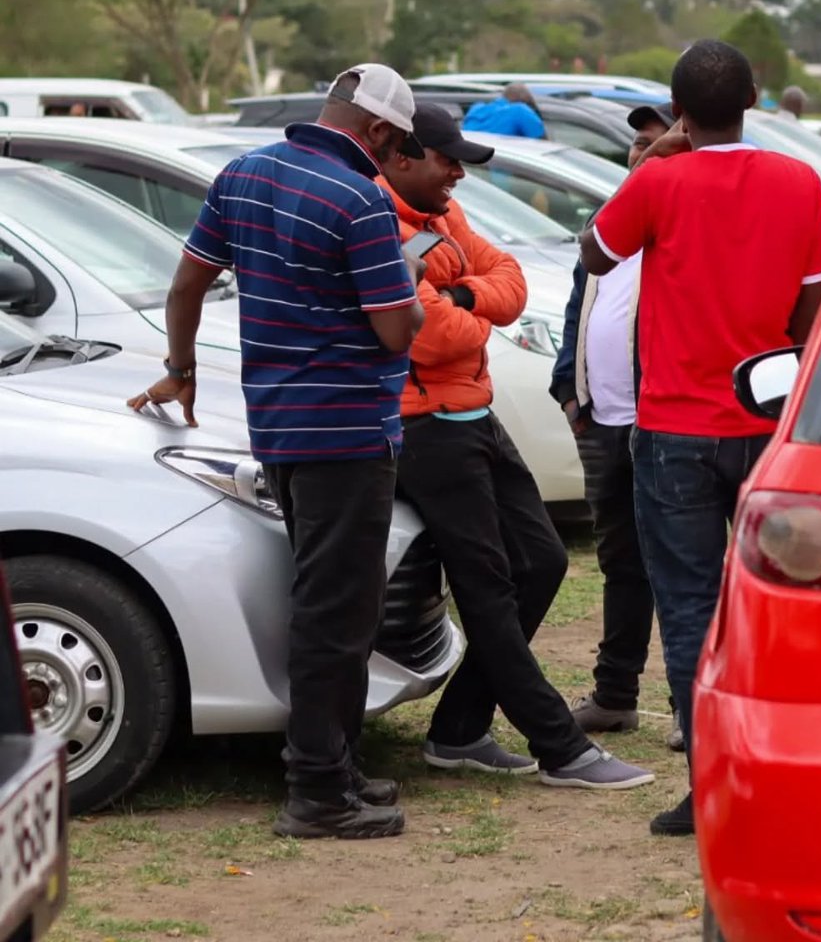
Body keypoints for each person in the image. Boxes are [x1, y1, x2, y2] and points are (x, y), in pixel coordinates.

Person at [127, 63, 426, 840]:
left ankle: (338, 763)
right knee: (337, 612)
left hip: (281, 427)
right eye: (398, 141)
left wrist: (179, 370)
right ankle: (318, 792)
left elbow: (187, 285)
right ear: (382, 132)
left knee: (332, 602)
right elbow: (397, 329)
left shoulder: (244, 173)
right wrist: (416, 276)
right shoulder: (360, 199)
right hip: (348, 433)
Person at [580, 40, 821, 837]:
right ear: (756, 97)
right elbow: (813, 302)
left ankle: (710, 786)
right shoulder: (799, 181)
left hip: (673, 432)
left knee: (689, 613)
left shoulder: (658, 180)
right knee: (782, 606)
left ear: (678, 106)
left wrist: (654, 155)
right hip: (766, 425)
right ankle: (793, 775)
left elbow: (593, 251)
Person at [377, 102, 654, 791]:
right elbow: (432, 336)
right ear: (402, 156)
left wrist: (457, 295)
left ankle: (460, 729)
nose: (457, 178)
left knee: (543, 561)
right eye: (448, 162)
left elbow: (510, 284)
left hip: (472, 413)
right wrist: (467, 308)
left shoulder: (439, 214)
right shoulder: (376, 220)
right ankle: (560, 746)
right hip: (423, 426)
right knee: (488, 587)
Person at [551, 102, 683, 753]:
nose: (642, 154)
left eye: (656, 144)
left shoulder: (685, 223)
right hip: (604, 422)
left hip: (666, 424)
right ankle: (615, 695)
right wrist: (568, 392)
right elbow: (583, 307)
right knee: (620, 564)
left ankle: (690, 703)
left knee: (687, 567)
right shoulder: (606, 226)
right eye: (636, 144)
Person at [461, 82, 547, 138]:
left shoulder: (476, 108)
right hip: (502, 163)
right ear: (523, 101)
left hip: (470, 164)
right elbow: (542, 145)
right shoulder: (520, 110)